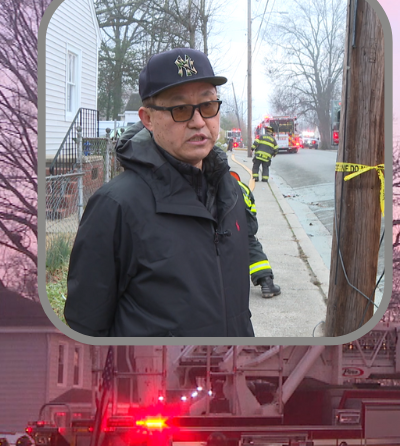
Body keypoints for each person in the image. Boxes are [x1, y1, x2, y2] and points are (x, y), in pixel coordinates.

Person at [64, 47, 254, 337]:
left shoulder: (231, 194)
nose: (198, 121)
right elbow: (86, 328)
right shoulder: (115, 207)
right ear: (148, 119)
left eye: (207, 105)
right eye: (180, 109)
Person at [241, 183, 281, 298]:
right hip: (242, 224)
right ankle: (266, 283)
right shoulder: (241, 186)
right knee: (251, 247)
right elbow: (252, 211)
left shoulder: (206, 182)